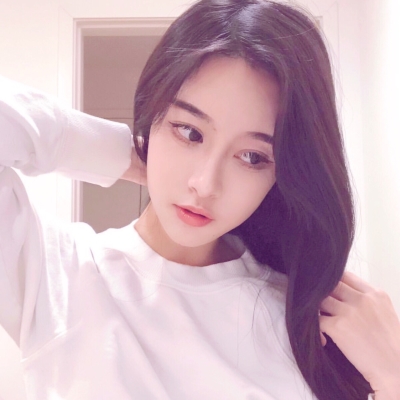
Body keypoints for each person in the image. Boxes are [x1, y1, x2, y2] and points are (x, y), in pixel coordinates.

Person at [0, 0, 399, 399]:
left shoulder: (302, 314)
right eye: (189, 132)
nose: (205, 184)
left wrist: (393, 377)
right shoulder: (58, 274)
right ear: (151, 115)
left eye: (252, 157)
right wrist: (127, 153)